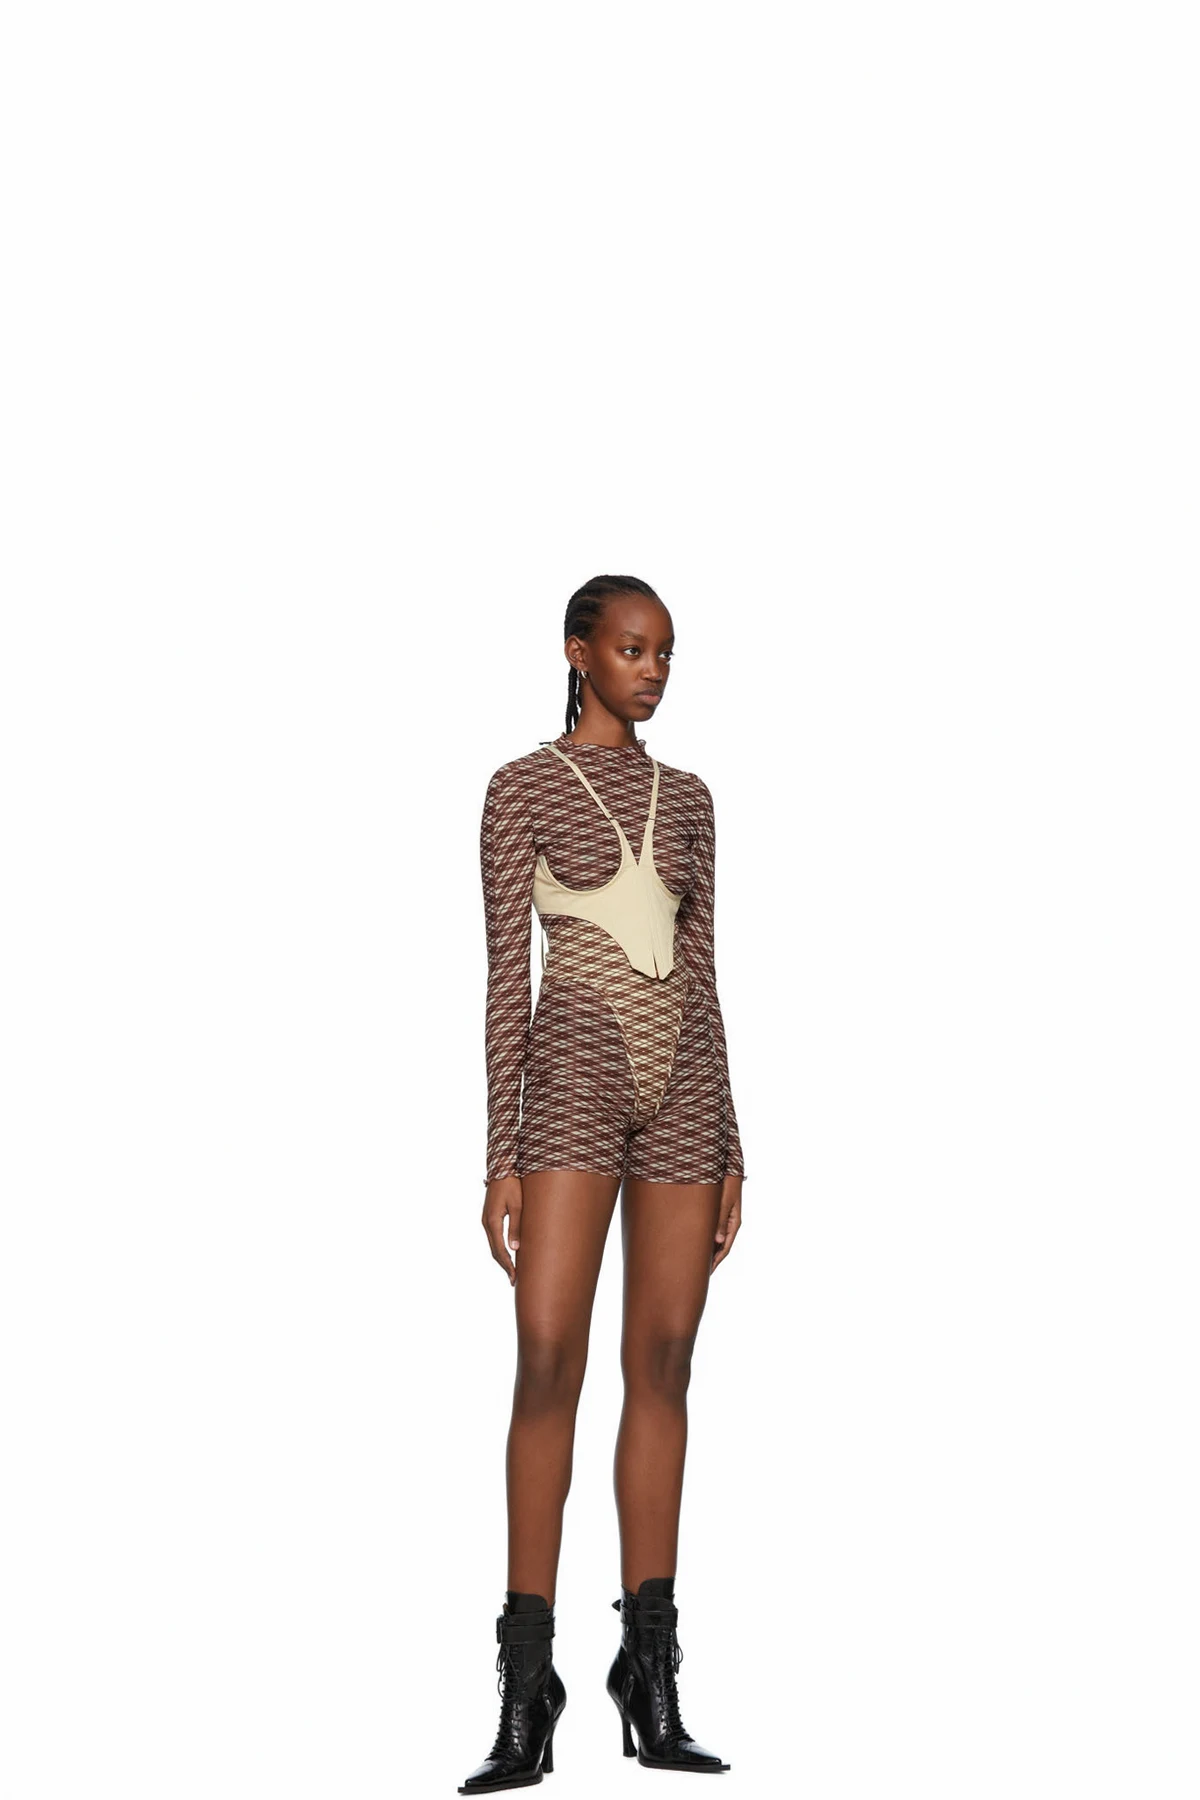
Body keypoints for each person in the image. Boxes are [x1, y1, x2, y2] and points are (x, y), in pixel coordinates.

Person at [459, 575, 745, 1792]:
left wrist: (733, 1142)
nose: (653, 671)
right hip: (571, 1071)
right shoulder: (520, 787)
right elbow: (503, 977)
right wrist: (500, 1152)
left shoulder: (694, 799)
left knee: (665, 1360)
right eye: (632, 649)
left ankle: (652, 1669)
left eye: (666, 653)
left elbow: (706, 971)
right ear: (579, 652)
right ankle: (527, 1685)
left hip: (685, 1087)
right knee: (546, 1357)